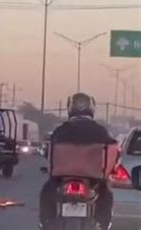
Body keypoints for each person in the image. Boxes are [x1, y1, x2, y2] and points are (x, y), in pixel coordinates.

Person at [39, 93, 117, 230]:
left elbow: (48, 150)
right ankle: (104, 225)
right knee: (106, 193)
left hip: (62, 177)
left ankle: (45, 222)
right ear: (92, 109)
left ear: (70, 108)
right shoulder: (100, 131)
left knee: (47, 191)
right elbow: (113, 150)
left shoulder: (61, 130)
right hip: (93, 178)